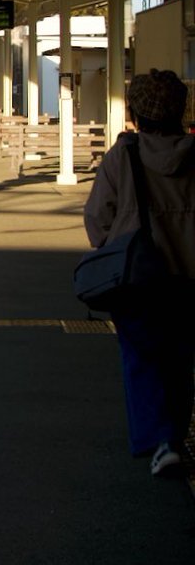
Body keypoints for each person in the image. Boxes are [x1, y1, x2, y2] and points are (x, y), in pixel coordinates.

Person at [83, 69, 195, 476]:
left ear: (135, 114)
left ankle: (158, 440)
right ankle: (174, 437)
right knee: (181, 361)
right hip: (188, 278)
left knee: (142, 358)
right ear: (180, 111)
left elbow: (98, 221)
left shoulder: (122, 157)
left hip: (137, 277)